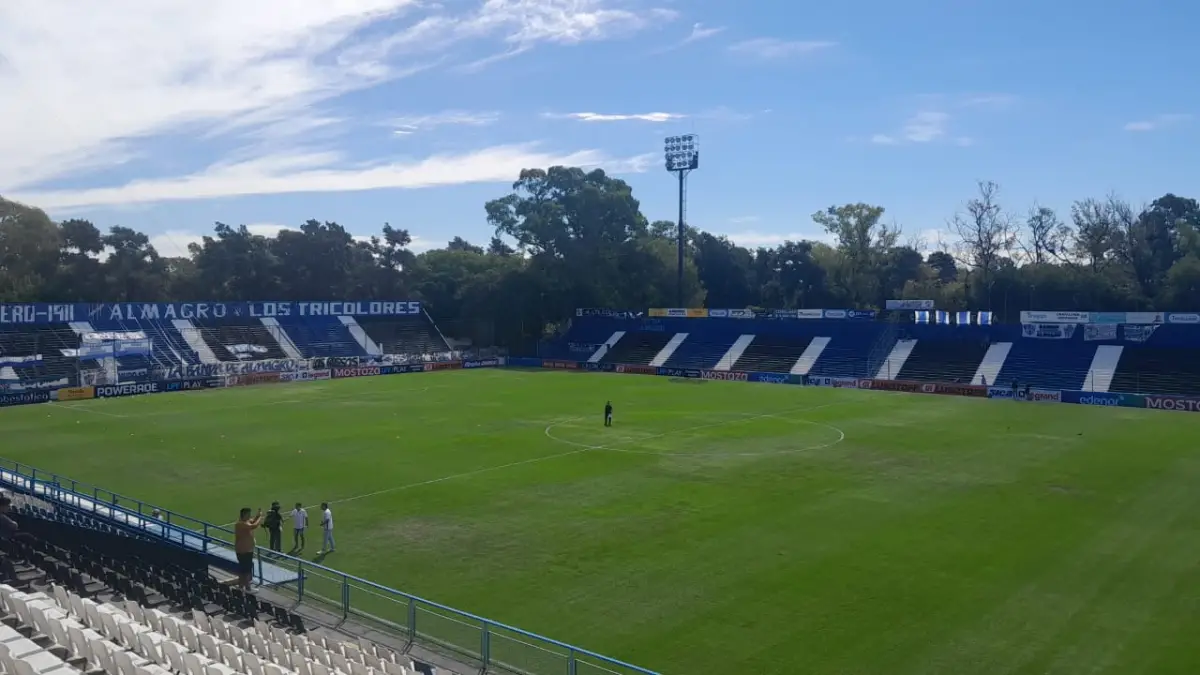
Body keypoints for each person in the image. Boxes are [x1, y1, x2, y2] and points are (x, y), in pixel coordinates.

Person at [232, 507, 263, 590]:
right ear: (244, 515)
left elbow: (252, 521)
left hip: (246, 550)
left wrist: (257, 516)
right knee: (246, 570)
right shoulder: (240, 524)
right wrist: (260, 517)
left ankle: (241, 586)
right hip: (244, 551)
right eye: (248, 514)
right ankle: (248, 588)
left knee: (243, 569)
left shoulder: (246, 522)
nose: (250, 515)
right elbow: (254, 525)